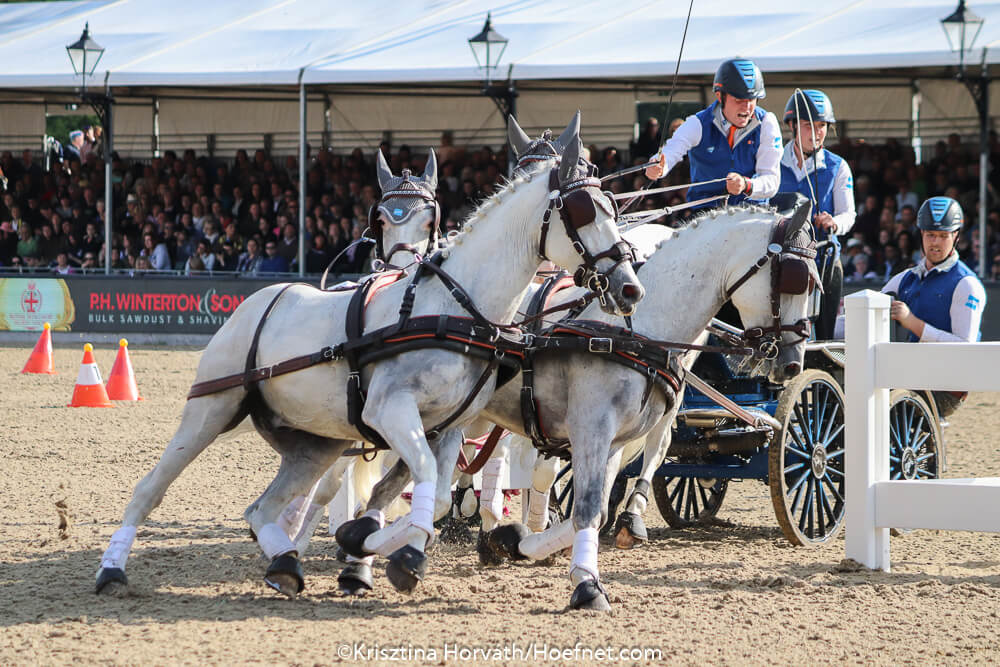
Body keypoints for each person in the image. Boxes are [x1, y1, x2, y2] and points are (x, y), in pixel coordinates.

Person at [881, 196, 987, 417]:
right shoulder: (907, 278)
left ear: (956, 236)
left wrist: (913, 323)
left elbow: (965, 348)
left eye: (943, 236)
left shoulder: (966, 285)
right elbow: (874, 300)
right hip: (911, 376)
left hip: (945, 387)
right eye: (930, 235)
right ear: (921, 234)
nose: (935, 242)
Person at [645, 58, 781, 208]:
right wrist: (658, 167)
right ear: (719, 95)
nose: (747, 107)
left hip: (752, 214)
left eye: (752, 99)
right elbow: (672, 150)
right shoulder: (697, 123)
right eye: (738, 99)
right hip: (706, 214)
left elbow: (771, 180)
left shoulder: (768, 123)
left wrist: (747, 185)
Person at [778, 89, 856, 340]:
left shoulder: (837, 166)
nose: (817, 132)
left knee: (824, 328)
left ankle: (824, 342)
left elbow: (848, 214)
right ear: (792, 126)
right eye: (809, 125)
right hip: (780, 257)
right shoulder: (772, 162)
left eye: (822, 125)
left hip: (822, 259)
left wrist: (835, 222)